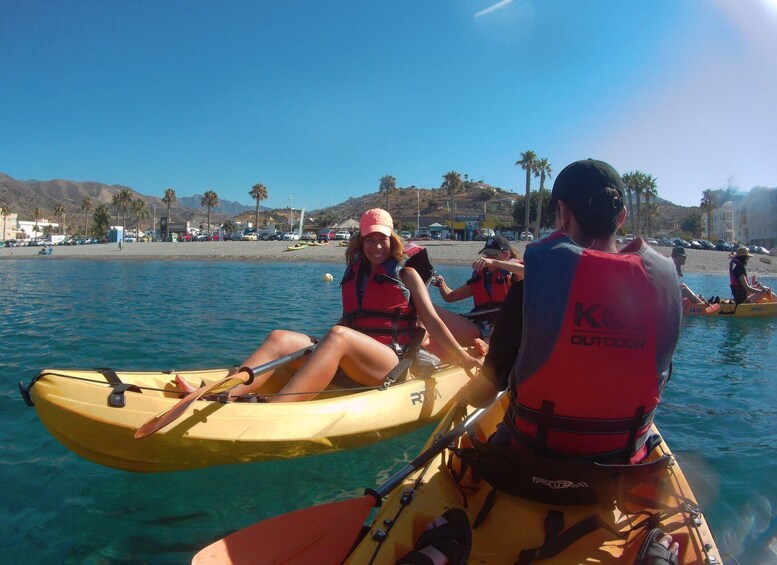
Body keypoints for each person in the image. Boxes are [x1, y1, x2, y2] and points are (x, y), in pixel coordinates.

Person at [465, 158, 681, 464]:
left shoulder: (529, 288)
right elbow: (660, 376)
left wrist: (467, 389)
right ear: (621, 216)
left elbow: (486, 393)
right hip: (619, 464)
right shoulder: (662, 290)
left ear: (563, 214)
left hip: (530, 460)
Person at [176, 208, 482, 402]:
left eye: (383, 240)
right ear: (360, 243)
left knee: (336, 336)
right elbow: (351, 320)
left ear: (393, 241)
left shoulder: (407, 274)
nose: (377, 246)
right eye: (370, 240)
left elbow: (433, 322)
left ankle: (275, 410)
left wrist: (463, 358)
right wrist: (321, 348)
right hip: (353, 358)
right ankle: (219, 393)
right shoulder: (355, 274)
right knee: (280, 337)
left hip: (391, 363)